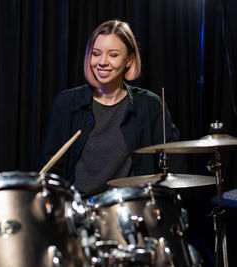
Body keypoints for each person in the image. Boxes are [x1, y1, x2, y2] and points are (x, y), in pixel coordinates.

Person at [41, 20, 184, 197]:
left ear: (129, 60)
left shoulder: (151, 105)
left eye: (113, 55)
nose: (102, 62)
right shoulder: (66, 104)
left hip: (133, 212)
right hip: (79, 214)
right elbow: (52, 173)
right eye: (96, 53)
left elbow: (175, 167)